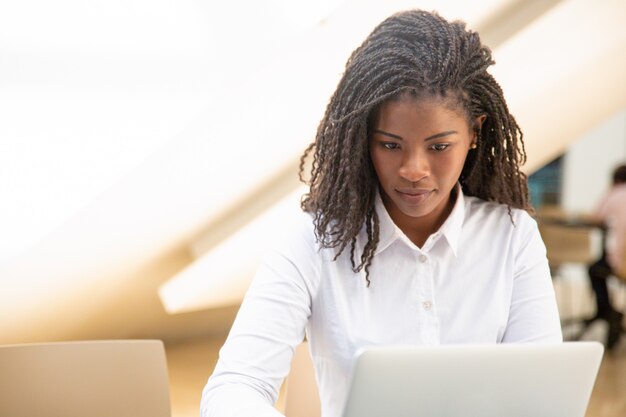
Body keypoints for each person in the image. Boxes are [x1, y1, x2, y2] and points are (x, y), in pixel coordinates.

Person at [201, 10, 562, 417]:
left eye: (439, 147)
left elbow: (542, 397)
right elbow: (234, 387)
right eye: (390, 145)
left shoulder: (512, 237)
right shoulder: (314, 241)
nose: (413, 169)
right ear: (362, 139)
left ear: (475, 132)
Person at [587, 164, 626, 349]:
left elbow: (596, 217)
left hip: (621, 261)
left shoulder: (615, 193)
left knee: (595, 270)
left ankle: (606, 311)